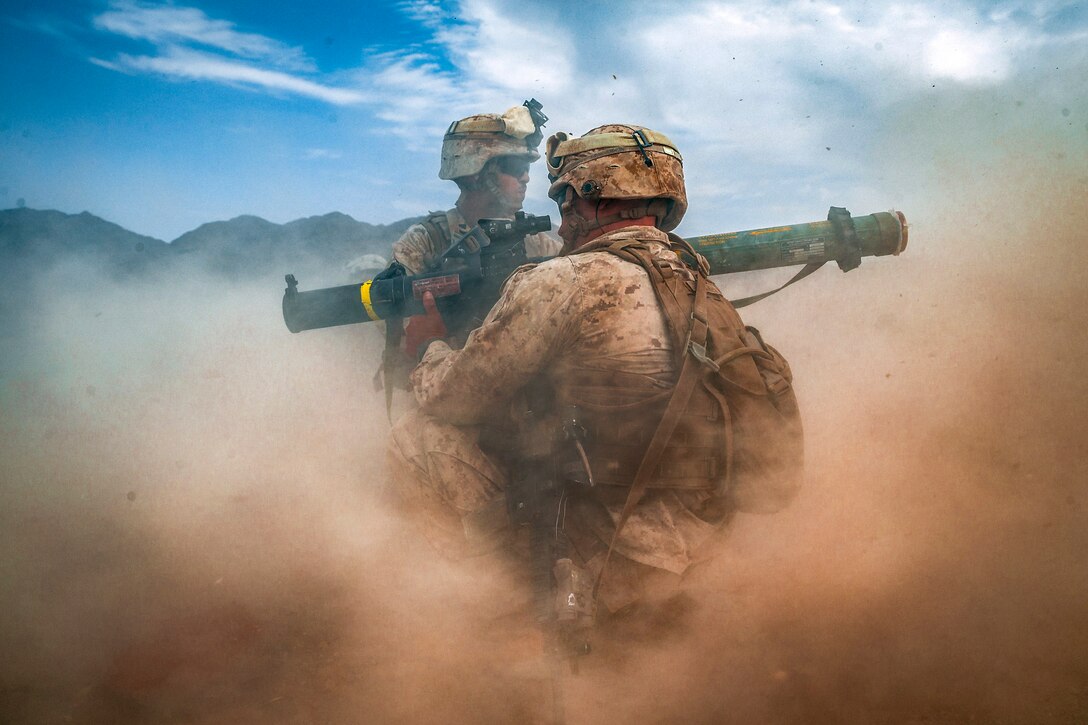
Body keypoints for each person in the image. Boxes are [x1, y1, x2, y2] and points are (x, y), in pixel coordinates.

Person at [387, 123, 803, 621]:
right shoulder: (692, 276)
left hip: (615, 549)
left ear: (594, 196)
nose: (561, 223)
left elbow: (454, 398)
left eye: (566, 202)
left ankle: (488, 613)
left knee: (415, 435)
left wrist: (429, 343)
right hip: (699, 536)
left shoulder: (562, 281)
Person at [390, 101, 561, 276]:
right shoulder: (427, 242)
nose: (525, 177)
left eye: (527, 168)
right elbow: (389, 299)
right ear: (475, 173)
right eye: (515, 167)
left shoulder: (535, 242)